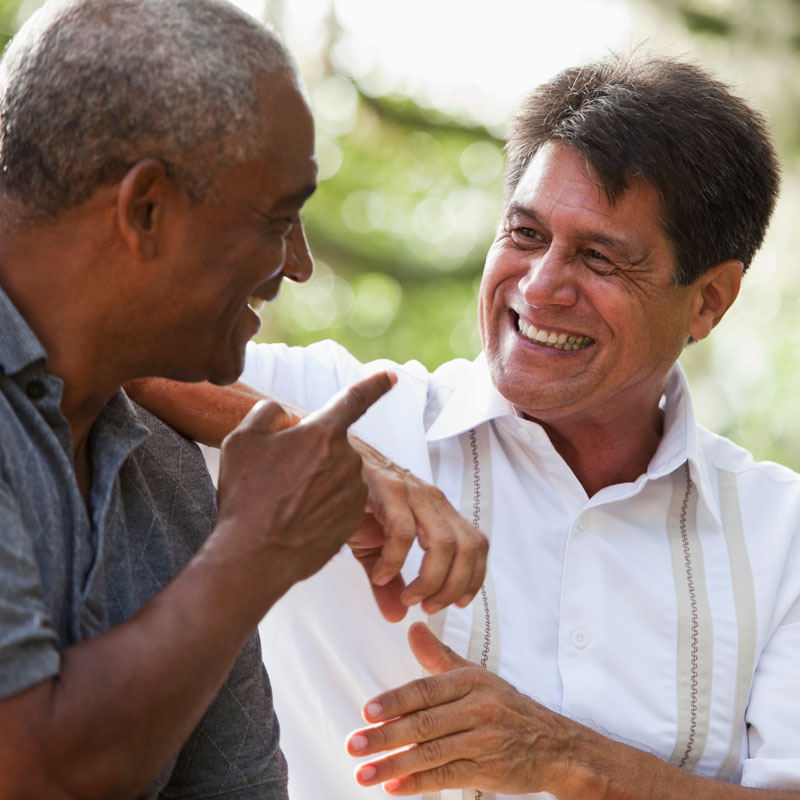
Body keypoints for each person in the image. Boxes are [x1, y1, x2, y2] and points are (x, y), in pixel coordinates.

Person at [130, 53, 800, 799]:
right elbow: (81, 332)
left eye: (600, 259)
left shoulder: (782, 535)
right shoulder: (350, 412)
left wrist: (566, 759)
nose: (541, 288)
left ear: (710, 299)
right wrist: (327, 455)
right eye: (525, 234)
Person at [0, 0, 486, 797]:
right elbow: (30, 775)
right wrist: (255, 547)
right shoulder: (232, 524)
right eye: (278, 219)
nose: (296, 266)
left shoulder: (165, 472)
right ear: (145, 209)